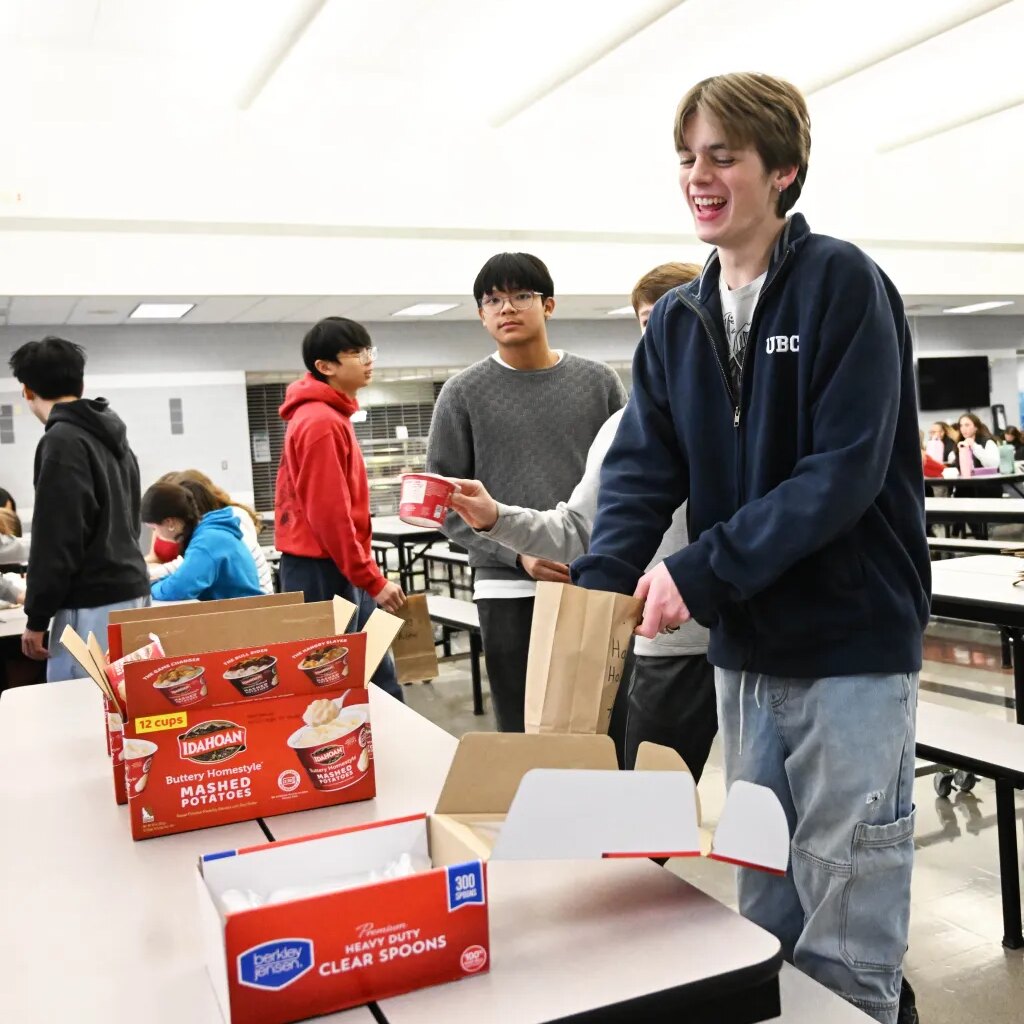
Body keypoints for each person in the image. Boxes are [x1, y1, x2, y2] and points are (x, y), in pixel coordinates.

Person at [572, 73, 928, 1024]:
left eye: (723, 155)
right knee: (764, 893)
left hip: (849, 648)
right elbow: (642, 471)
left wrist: (699, 569)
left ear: (783, 170)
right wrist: (597, 598)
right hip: (746, 654)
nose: (700, 174)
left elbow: (841, 474)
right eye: (688, 156)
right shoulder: (680, 323)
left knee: (849, 903)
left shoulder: (842, 284)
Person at [448, 261, 718, 778]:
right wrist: (495, 520)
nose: (666, 333)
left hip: (759, 646)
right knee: (649, 811)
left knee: (771, 809)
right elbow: (578, 527)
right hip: (667, 642)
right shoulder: (628, 424)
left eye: (682, 316)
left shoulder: (752, 409)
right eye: (649, 321)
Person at [426, 252, 627, 732]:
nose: (506, 308)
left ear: (549, 305)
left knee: (606, 723)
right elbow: (446, 505)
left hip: (593, 580)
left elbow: (627, 481)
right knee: (525, 726)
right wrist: (521, 557)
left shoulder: (599, 382)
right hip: (506, 585)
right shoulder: (461, 393)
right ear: (480, 314)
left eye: (521, 296)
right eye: (492, 300)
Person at [275, 316, 406, 701]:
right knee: (345, 686)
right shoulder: (319, 422)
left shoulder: (329, 416)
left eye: (370, 351)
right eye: (357, 353)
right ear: (325, 366)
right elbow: (330, 516)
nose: (369, 360)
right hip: (322, 569)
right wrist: (373, 580)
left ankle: (389, 755)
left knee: (372, 676)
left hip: (333, 565)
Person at [8, 336, 151, 681]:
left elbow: (57, 537)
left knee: (80, 708)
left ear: (26, 391)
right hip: (132, 591)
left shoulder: (61, 441)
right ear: (81, 383)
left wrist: (37, 618)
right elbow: (131, 520)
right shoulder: (114, 437)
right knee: (123, 704)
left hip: (91, 601)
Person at [148, 470, 274, 595]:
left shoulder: (212, 534)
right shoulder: (212, 527)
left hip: (257, 601)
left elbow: (186, 577)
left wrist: (148, 584)